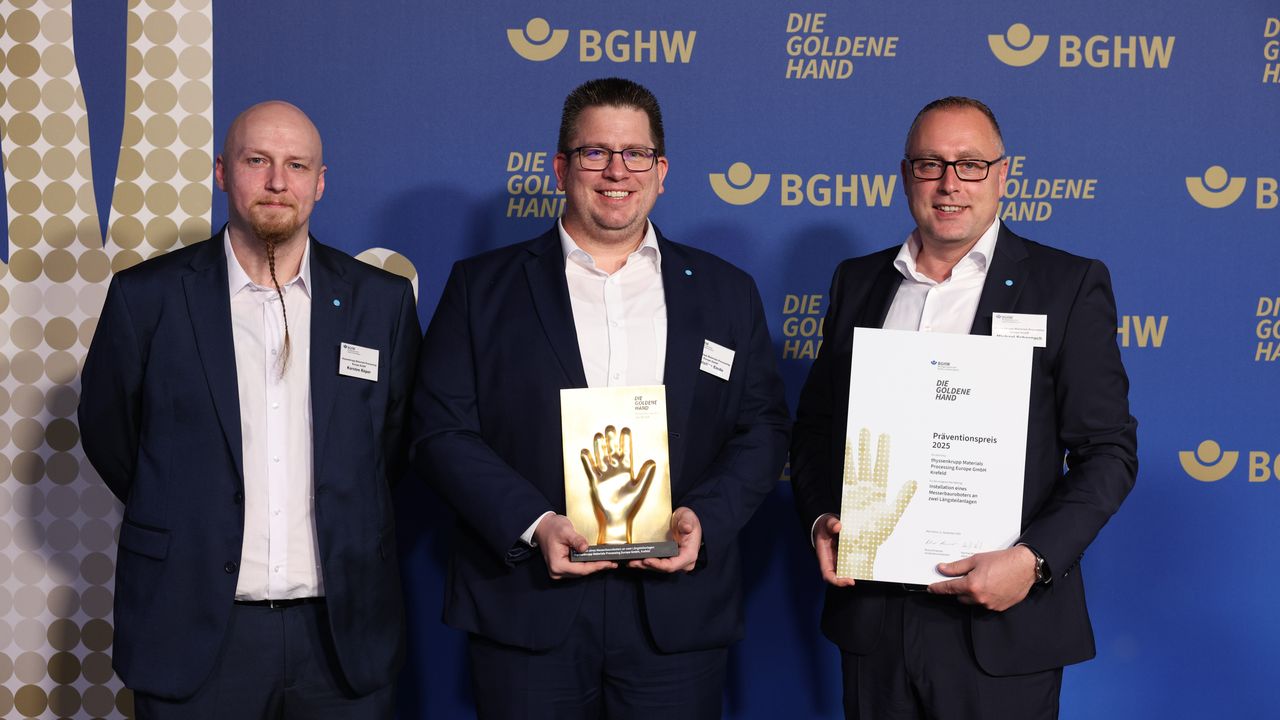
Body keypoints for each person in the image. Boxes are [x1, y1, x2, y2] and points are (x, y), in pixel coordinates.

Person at [412, 77, 789, 719]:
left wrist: (707, 520)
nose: (617, 171)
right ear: (561, 167)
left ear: (661, 170)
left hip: (676, 618)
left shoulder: (727, 292)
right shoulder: (483, 289)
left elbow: (763, 430)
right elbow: (440, 432)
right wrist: (535, 525)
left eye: (635, 154)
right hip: (528, 607)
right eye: (595, 153)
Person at [790, 96, 1138, 719]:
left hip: (1002, 625)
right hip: (875, 623)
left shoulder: (1067, 284)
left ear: (1003, 176)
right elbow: (816, 430)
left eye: (971, 164)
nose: (950, 184)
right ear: (905, 177)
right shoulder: (859, 282)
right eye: (931, 164)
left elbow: (1108, 452)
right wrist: (821, 520)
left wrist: (1032, 563)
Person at [79, 101, 420, 719]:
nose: (276, 182)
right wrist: (185, 505)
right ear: (221, 173)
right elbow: (111, 434)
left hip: (341, 636)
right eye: (256, 160)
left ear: (320, 182)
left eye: (297, 165)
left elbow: (391, 447)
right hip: (193, 629)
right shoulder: (147, 298)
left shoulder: (382, 303)